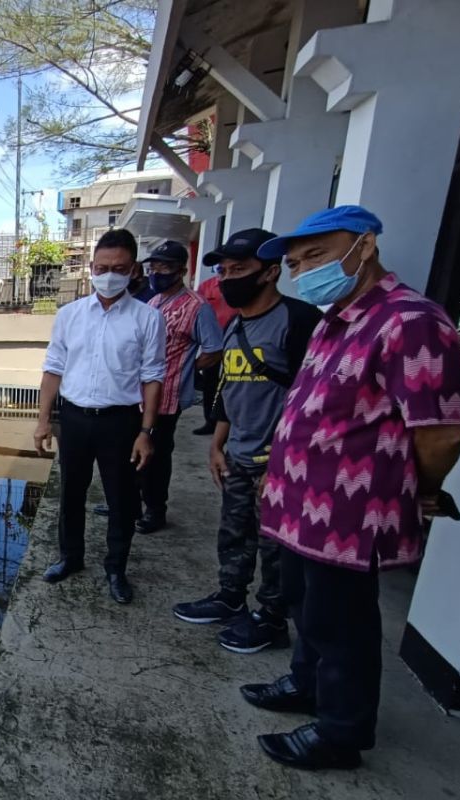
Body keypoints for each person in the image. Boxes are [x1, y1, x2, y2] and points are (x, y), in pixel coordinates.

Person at [239, 206, 460, 770]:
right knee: (304, 604)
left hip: (350, 512)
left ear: (364, 245)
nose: (303, 270)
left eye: (316, 255)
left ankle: (340, 733)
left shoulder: (410, 321)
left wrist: (424, 489)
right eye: (295, 263)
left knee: (342, 624)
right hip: (299, 504)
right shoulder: (337, 317)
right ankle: (305, 685)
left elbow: (441, 431)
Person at [171, 229, 322, 655]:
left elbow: (313, 398)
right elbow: (225, 389)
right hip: (238, 453)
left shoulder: (300, 321)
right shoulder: (237, 323)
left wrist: (282, 459)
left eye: (240, 270)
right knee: (235, 532)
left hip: (278, 461)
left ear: (270, 272)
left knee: (276, 549)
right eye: (223, 271)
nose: (227, 279)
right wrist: (218, 443)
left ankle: (272, 619)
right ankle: (229, 595)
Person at [34, 229, 166, 604]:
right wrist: (44, 420)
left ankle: (115, 569)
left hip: (120, 421)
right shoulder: (69, 315)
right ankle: (70, 558)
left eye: (119, 268)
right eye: (102, 267)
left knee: (121, 499)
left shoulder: (147, 318)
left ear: (133, 270)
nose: (109, 275)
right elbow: (53, 369)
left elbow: (153, 377)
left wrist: (146, 431)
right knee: (70, 494)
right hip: (74, 418)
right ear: (91, 267)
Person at [136, 241, 223, 533]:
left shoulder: (197, 307)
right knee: (132, 451)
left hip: (168, 396)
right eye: (154, 266)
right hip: (138, 393)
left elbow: (214, 349)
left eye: (165, 267)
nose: (157, 272)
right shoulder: (153, 301)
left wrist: (186, 370)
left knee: (157, 456)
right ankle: (131, 502)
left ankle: (155, 510)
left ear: (182, 270)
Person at [193, 273, 236, 434]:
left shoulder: (237, 284)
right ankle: (209, 421)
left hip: (235, 338)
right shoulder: (207, 286)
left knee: (231, 383)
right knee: (210, 383)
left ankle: (228, 423)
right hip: (213, 342)